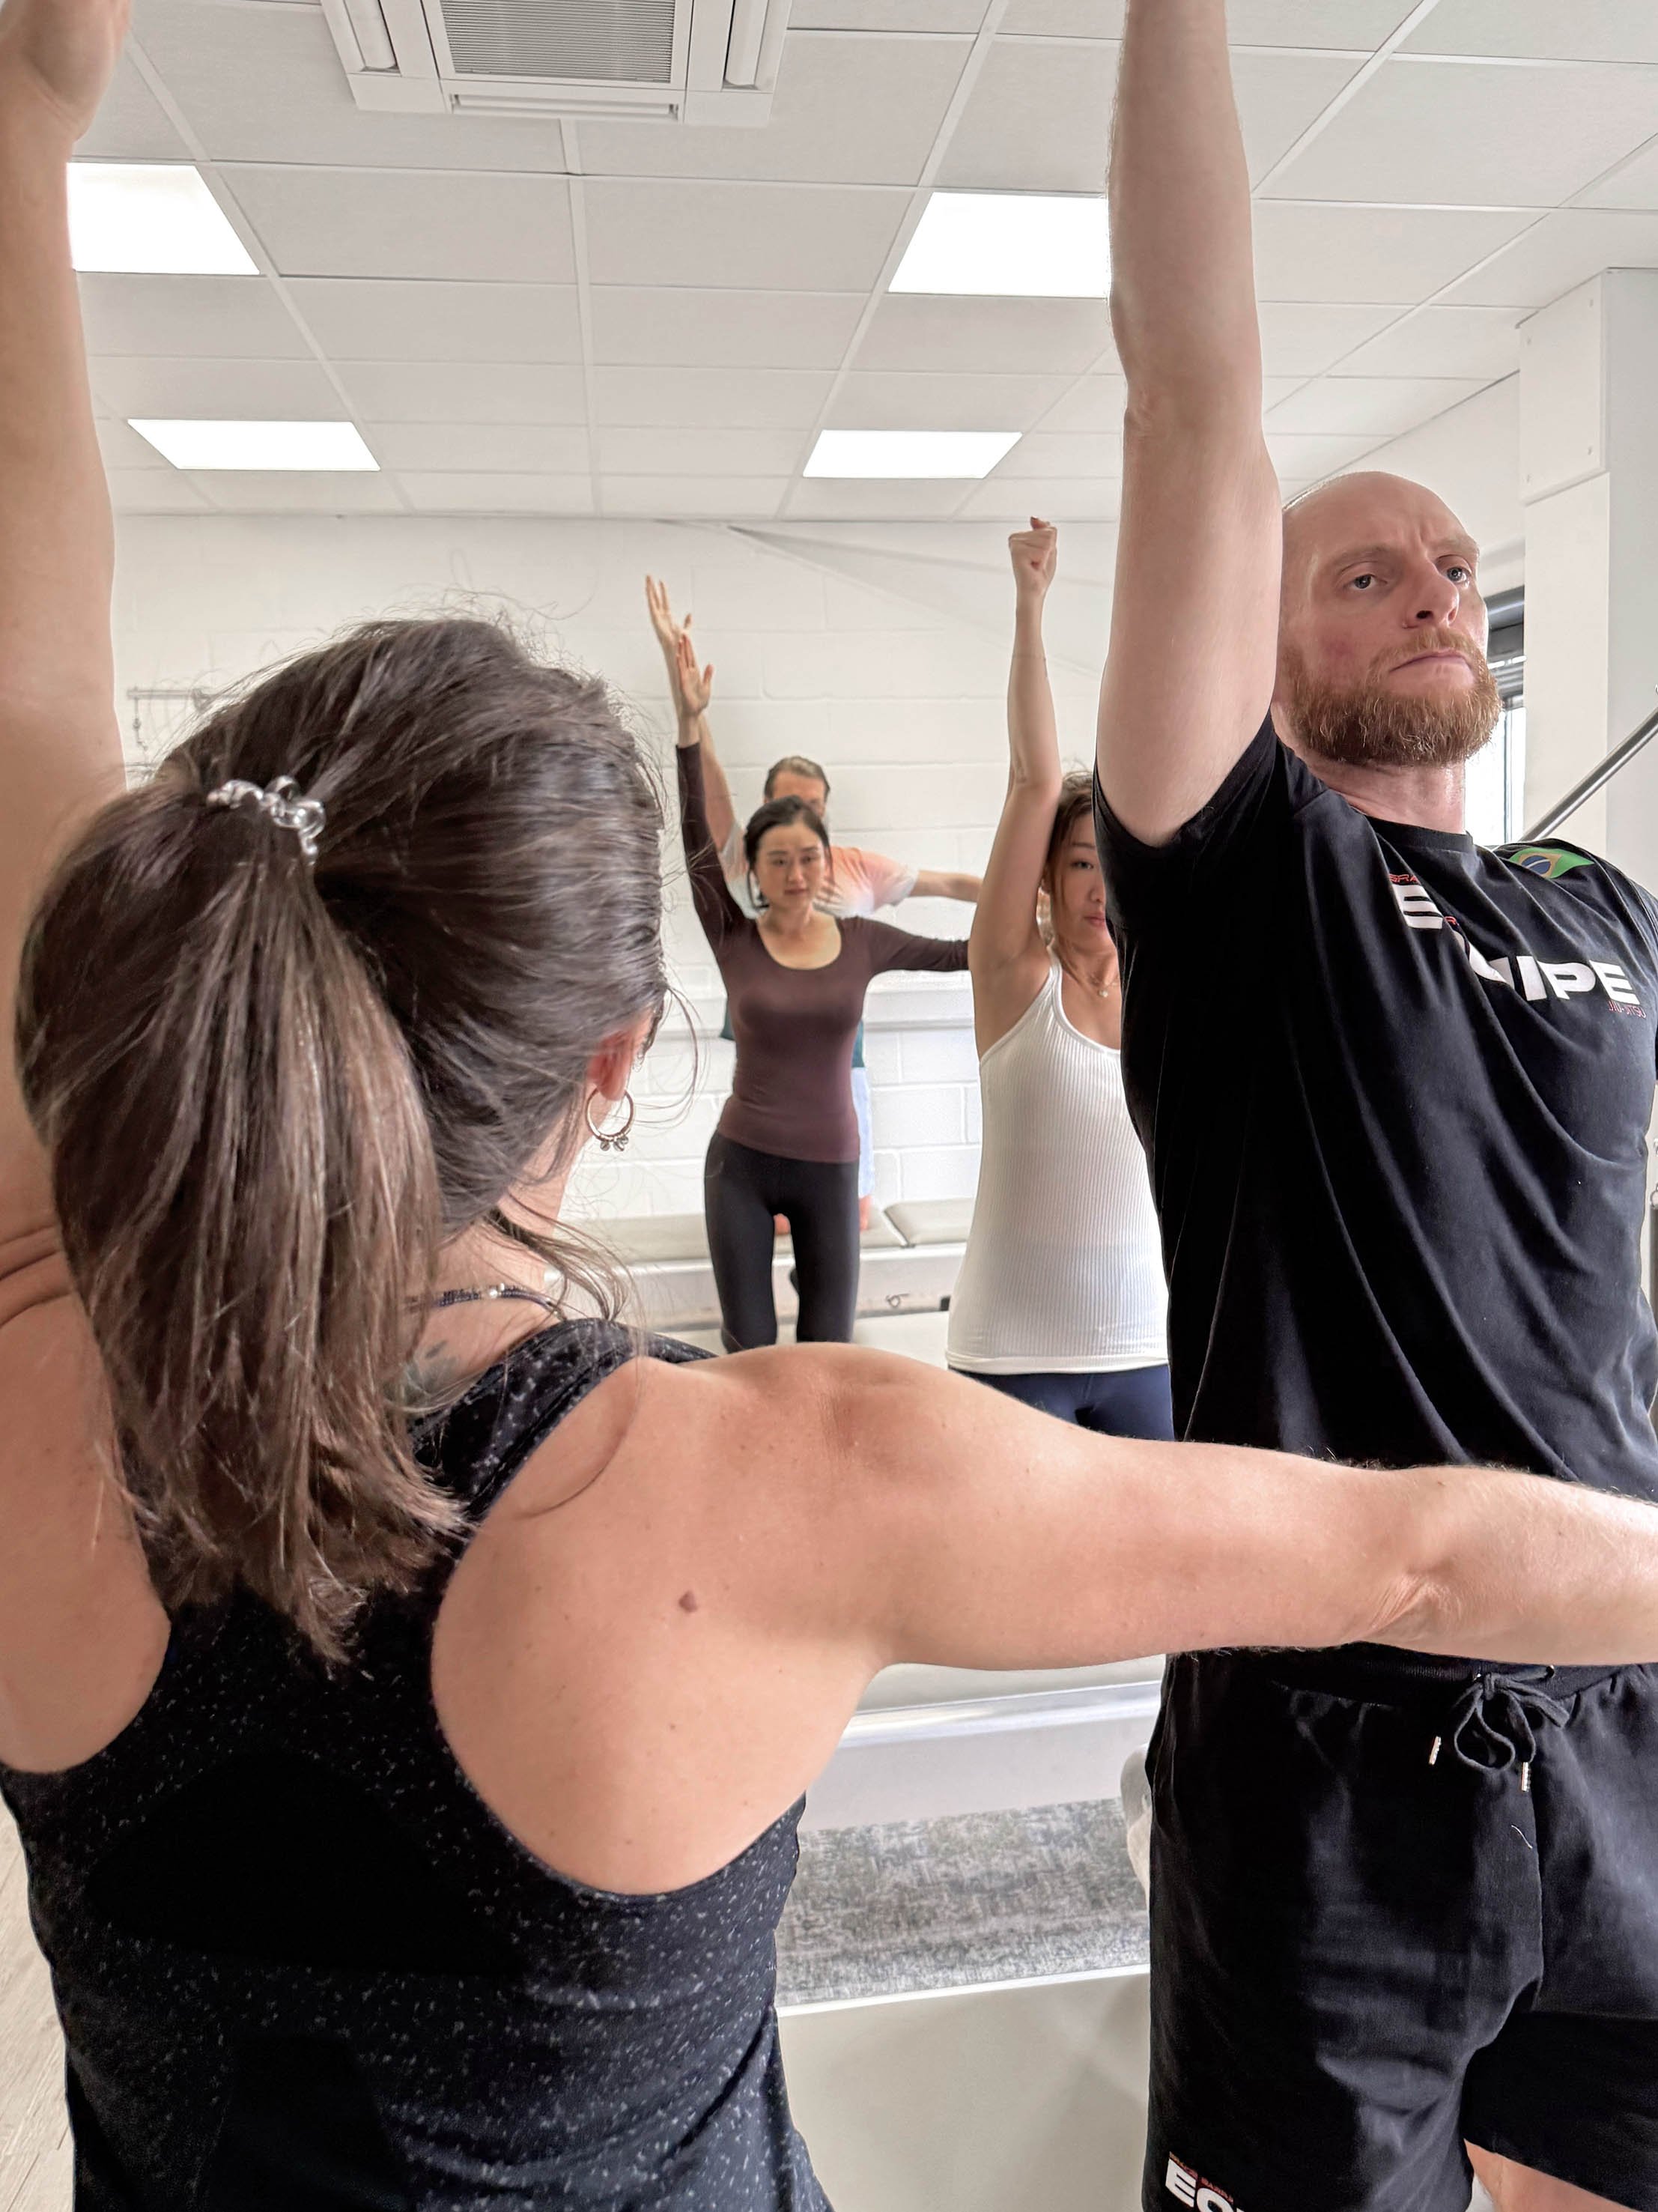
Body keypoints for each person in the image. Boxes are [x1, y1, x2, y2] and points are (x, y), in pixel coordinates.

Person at [10, 12, 1658, 2212]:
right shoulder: (774, 1478)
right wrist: (28, 117)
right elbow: (1427, 1549)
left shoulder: (38, 1345)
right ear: (622, 1051)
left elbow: (28, 672)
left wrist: (23, 128)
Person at [1099, 6, 1658, 2211]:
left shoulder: (1598, 900)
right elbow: (1195, 403)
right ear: (1256, 645)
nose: (1430, 582)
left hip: (1621, 1700)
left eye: (1447, 564)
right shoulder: (1248, 884)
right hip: (1329, 1749)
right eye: (1363, 568)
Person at [646, 575, 980, 1226]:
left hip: (836, 1068)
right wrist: (691, 710)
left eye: (814, 811)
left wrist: (1034, 894)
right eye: (785, 809)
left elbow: (952, 885)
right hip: (770, 1070)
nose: (797, 854)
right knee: (769, 1220)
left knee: (845, 1215)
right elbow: (705, 794)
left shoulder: (856, 867)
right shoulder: (753, 861)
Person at [673, 638, 968, 1349]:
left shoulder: (863, 940)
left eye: (808, 857)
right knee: (747, 1346)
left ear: (825, 859)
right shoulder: (732, 934)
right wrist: (688, 724)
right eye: (779, 859)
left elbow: (960, 956)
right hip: (739, 1165)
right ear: (758, 870)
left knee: (829, 1347)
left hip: (831, 1168)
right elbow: (693, 836)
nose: (797, 872)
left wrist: (1042, 920)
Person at [948, 518, 1170, 1439]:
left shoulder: (1165, 992)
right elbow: (1034, 781)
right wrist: (1031, 605)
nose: (1099, 888)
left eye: (1114, 865)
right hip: (1012, 1350)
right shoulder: (1012, 976)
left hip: (1145, 1347)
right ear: (1047, 876)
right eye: (1082, 863)